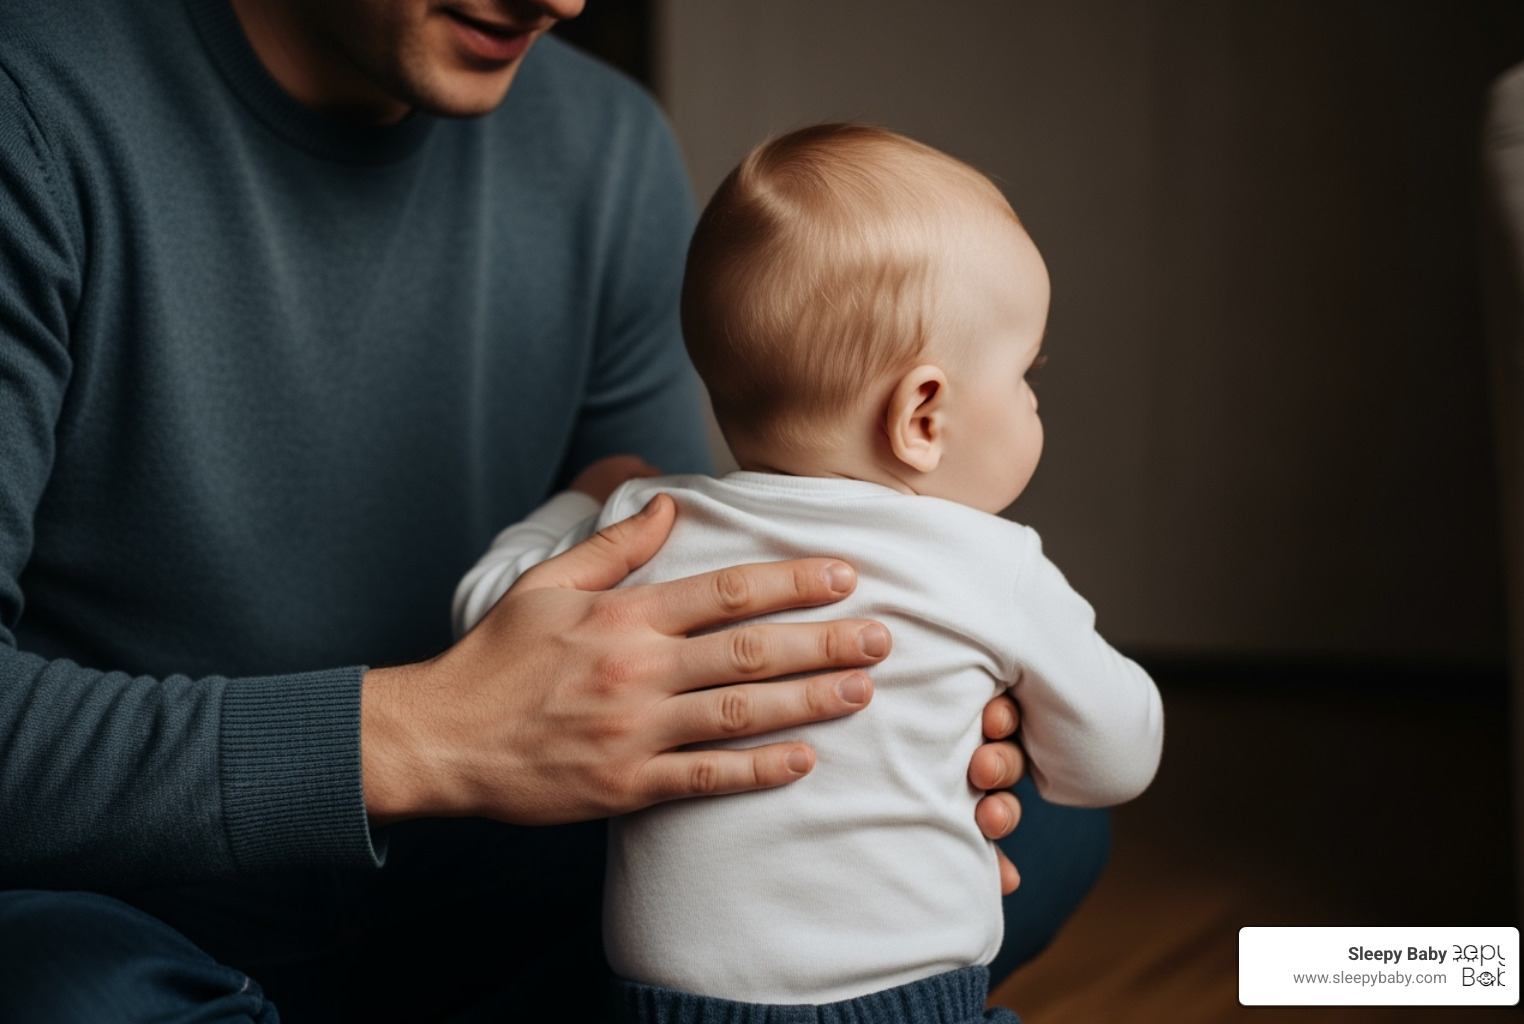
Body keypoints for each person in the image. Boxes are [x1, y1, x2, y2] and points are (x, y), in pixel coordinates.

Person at [0, 1, 1104, 1019]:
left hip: (491, 875)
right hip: (135, 898)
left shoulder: (605, 142)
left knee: (1050, 817)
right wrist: (424, 733)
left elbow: (691, 611)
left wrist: (905, 745)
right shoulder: (36, 103)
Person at [454, 124, 1163, 1022]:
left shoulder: (644, 522)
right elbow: (1117, 758)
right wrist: (1032, 723)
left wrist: (580, 500)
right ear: (923, 415)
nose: (1032, 398)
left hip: (667, 1007)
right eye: (1028, 373)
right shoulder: (994, 565)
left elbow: (489, 617)